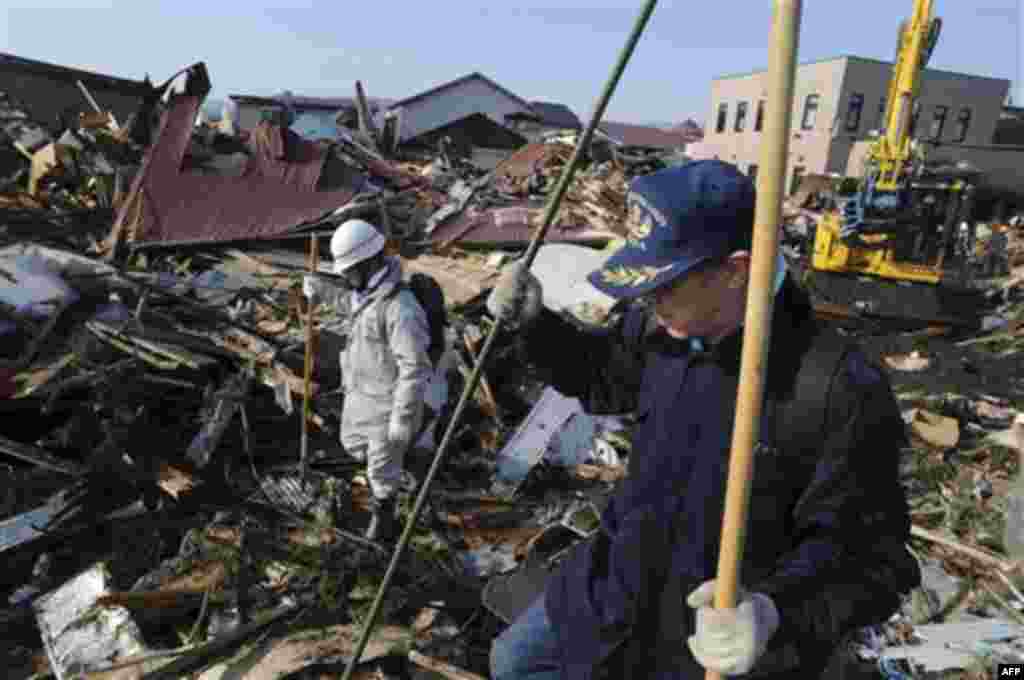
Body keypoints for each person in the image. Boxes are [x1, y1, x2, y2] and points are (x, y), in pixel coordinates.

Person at [486, 160, 919, 680]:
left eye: (666, 284)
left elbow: (874, 561)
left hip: (707, 642)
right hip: (619, 587)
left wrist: (774, 612)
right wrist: (537, 326)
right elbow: (603, 378)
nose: (648, 298)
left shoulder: (834, 386)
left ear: (737, 270)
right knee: (514, 663)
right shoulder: (663, 330)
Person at [303, 219, 433, 541]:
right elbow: (352, 305)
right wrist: (320, 290)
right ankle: (406, 463)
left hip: (388, 404)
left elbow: (414, 367)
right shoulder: (368, 293)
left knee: (381, 468)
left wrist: (402, 419)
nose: (346, 278)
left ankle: (384, 520)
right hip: (362, 395)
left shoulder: (400, 309)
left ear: (368, 262)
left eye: (349, 272)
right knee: (355, 446)